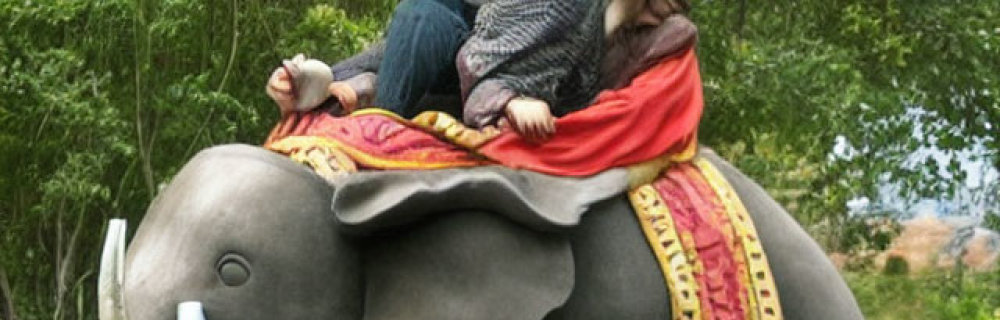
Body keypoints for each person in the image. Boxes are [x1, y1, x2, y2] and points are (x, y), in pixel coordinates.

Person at [267, 0, 691, 142]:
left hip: (533, 99)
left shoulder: (655, 37)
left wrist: (511, 94)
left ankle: (366, 96)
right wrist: (510, 95)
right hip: (470, 72)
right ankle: (355, 100)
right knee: (426, 14)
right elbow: (479, 40)